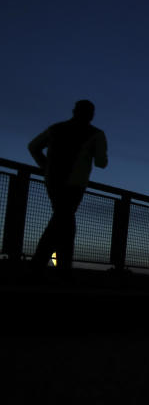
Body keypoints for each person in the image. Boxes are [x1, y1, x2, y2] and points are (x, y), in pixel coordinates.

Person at [28, 99, 108, 275]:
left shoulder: (56, 128)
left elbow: (33, 147)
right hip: (75, 183)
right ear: (92, 115)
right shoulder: (96, 134)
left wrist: (45, 167)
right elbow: (102, 162)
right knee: (63, 220)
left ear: (74, 111)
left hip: (53, 180)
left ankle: (57, 266)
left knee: (64, 220)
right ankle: (41, 265)